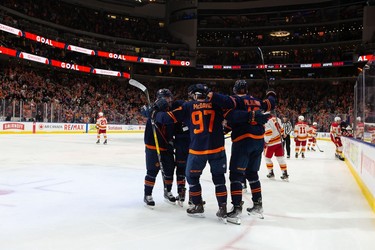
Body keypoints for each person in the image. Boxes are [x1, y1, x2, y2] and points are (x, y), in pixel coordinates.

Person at [154, 83, 251, 223]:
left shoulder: (187, 106)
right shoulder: (217, 105)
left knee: (191, 177)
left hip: (197, 149)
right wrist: (251, 116)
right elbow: (235, 113)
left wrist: (155, 112)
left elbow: (166, 119)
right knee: (219, 179)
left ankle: (198, 204)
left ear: (193, 94)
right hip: (217, 148)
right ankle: (222, 208)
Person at [215, 81, 275, 224]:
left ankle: (236, 209)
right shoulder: (258, 101)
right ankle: (258, 205)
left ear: (235, 90)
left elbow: (231, 116)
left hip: (243, 141)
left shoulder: (236, 100)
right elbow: (271, 102)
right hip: (259, 141)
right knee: (252, 173)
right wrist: (271, 93)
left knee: (236, 175)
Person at [143, 89, 176, 208]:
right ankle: (147, 194)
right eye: (167, 98)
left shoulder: (171, 111)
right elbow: (144, 111)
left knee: (170, 170)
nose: (169, 100)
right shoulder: (152, 109)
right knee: (152, 171)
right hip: (153, 145)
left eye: (169, 98)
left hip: (167, 146)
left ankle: (167, 191)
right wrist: (153, 109)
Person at [264, 112, 289, 181]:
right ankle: (285, 173)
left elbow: (269, 132)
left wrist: (265, 141)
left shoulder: (266, 121)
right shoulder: (277, 119)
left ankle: (271, 173)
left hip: (271, 144)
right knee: (280, 158)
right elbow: (282, 129)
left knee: (267, 158)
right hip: (280, 142)